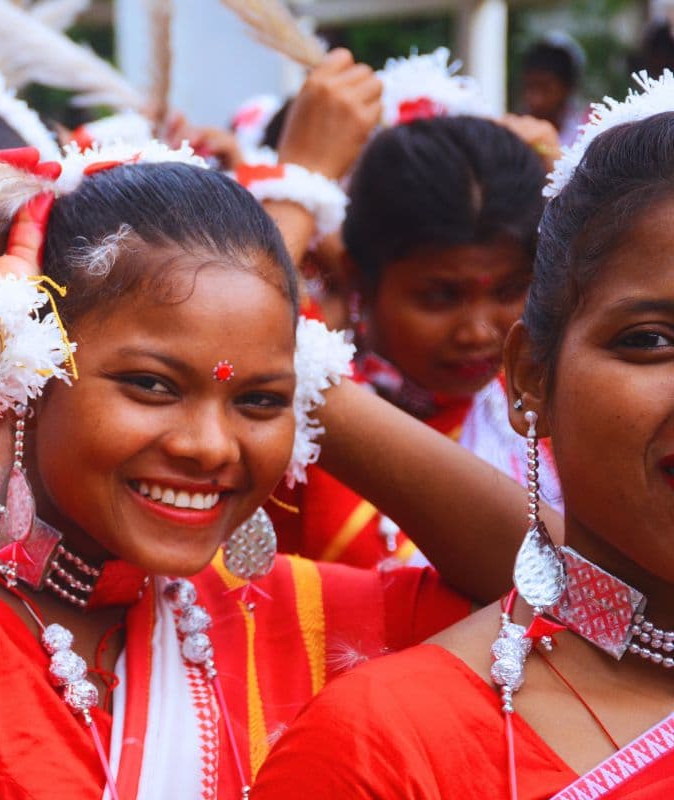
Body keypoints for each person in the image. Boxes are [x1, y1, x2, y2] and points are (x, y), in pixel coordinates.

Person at [0, 120, 559, 798]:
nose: (209, 446)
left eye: (256, 403)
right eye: (149, 385)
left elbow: (557, 582)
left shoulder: (277, 612)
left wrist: (294, 371)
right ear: (31, 370)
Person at [253, 80, 674, 799]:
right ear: (530, 379)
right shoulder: (386, 753)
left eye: (498, 288)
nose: (473, 328)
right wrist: (297, 185)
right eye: (650, 340)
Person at [270, 112, 555, 569]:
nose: (478, 332)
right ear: (357, 279)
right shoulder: (292, 403)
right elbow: (247, 324)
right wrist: (299, 175)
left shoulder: (556, 406)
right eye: (440, 296)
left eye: (509, 290)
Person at [520, 35, 586, 146]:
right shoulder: (516, 134)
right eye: (530, 87)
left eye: (545, 89)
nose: (536, 100)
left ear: (568, 88)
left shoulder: (585, 133)